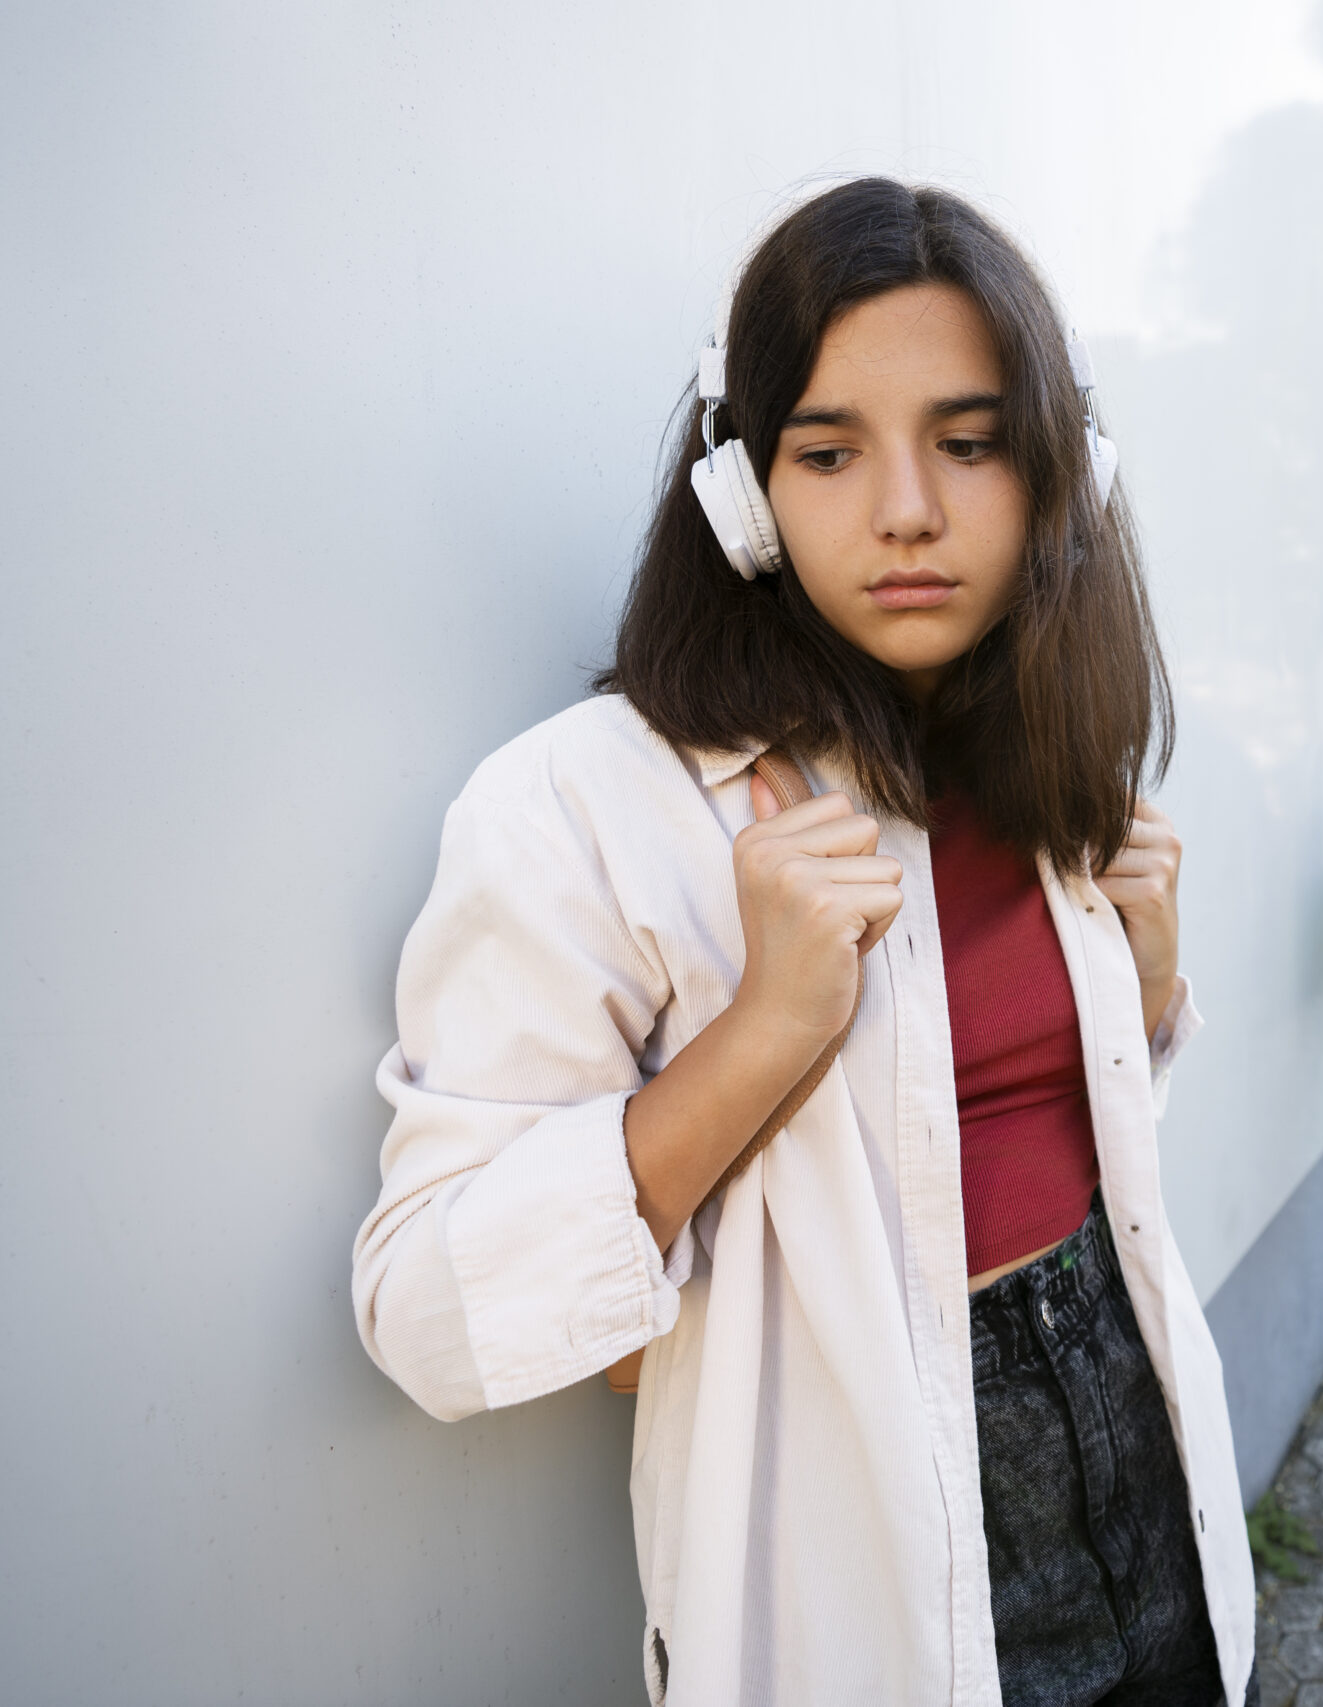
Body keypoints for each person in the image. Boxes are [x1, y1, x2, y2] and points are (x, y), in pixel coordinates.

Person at [352, 179, 1255, 1705]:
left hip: (1145, 1457)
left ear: (1061, 474)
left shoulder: (1044, 757)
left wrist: (1149, 988)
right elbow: (424, 1312)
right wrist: (766, 1029)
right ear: (743, 496)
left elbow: (1031, 1125)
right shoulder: (585, 801)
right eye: (828, 452)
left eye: (970, 443)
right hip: (861, 1558)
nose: (906, 508)